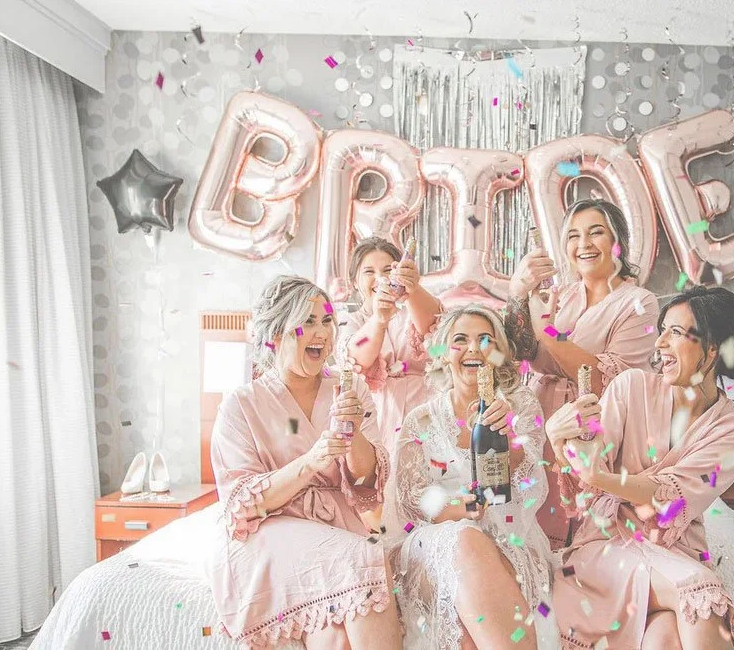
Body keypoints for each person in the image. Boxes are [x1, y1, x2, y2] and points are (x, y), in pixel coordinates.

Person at [546, 286, 734, 650]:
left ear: (712, 349)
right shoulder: (631, 387)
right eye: (662, 329)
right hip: (606, 546)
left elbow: (670, 498)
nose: (659, 343)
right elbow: (586, 479)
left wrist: (603, 478)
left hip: (675, 551)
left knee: (665, 641)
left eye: (675, 332)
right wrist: (559, 442)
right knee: (700, 594)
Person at [208, 275, 401, 650]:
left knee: (334, 631)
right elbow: (243, 504)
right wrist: (312, 460)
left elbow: (369, 484)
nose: (322, 333)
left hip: (337, 526)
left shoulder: (350, 387)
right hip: (271, 529)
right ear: (276, 334)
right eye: (307, 321)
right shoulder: (240, 406)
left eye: (327, 320)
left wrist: (353, 438)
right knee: (362, 559)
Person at [392, 305, 556, 650]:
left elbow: (531, 481)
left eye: (485, 339)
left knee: (468, 634)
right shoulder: (420, 418)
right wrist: (460, 508)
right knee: (465, 537)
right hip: (437, 541)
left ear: (498, 353)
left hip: (512, 535)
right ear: (443, 353)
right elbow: (411, 498)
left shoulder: (521, 404)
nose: (473, 348)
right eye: (460, 340)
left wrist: (509, 438)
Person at [506, 198, 659, 549]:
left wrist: (547, 330)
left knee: (582, 524)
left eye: (596, 233)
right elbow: (521, 352)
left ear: (617, 240)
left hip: (592, 425)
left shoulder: (638, 302)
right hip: (540, 416)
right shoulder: (559, 295)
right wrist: (517, 294)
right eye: (573, 236)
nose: (584, 244)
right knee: (536, 521)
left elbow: (605, 379)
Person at [337, 236, 443, 452]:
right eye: (369, 272)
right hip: (376, 421)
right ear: (355, 282)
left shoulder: (413, 311)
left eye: (387, 270)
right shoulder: (351, 322)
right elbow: (356, 361)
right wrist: (379, 318)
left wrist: (413, 290)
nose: (380, 279)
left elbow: (438, 332)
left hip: (425, 415)